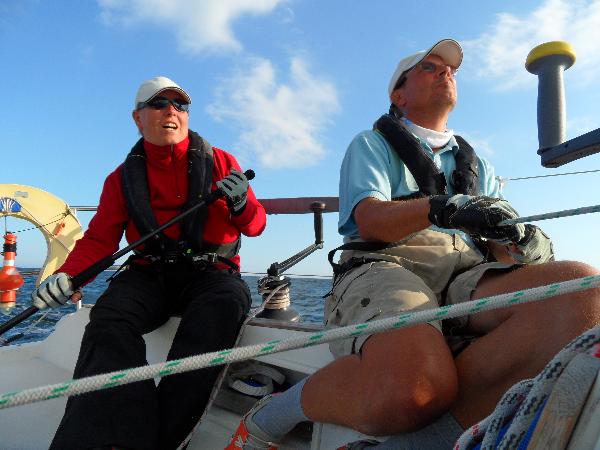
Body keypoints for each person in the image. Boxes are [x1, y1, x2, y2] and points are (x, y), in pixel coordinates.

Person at [225, 39, 600, 450]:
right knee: (417, 386)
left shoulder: (480, 166)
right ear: (398, 95)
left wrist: (521, 240)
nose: (445, 73)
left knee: (582, 293)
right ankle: (273, 414)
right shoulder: (371, 144)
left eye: (450, 69)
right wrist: (443, 208)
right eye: (429, 67)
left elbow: (503, 251)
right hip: (387, 265)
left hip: (467, 273)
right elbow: (370, 220)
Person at [32, 76, 267, 450]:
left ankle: (162, 439)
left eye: (180, 105)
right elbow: (100, 239)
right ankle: (113, 438)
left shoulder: (222, 162)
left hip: (212, 274)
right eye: (159, 104)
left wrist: (241, 203)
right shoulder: (120, 179)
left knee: (221, 308)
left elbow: (255, 226)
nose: (171, 111)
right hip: (149, 273)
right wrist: (67, 275)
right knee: (109, 319)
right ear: (137, 118)